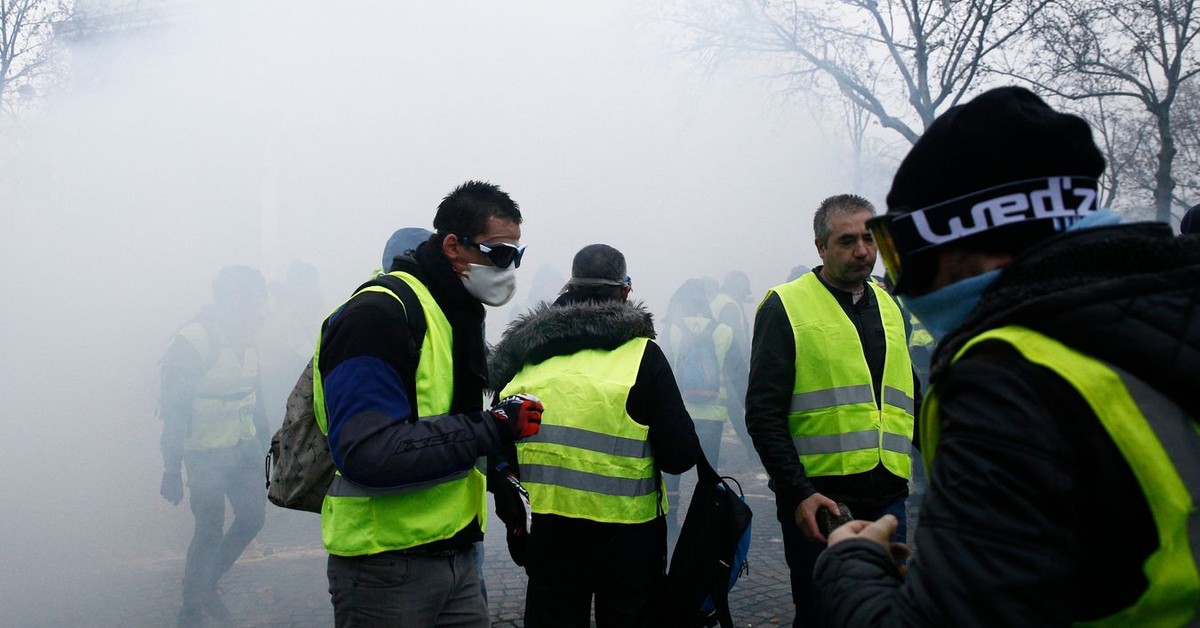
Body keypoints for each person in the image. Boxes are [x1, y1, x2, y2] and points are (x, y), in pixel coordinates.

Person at [814, 86, 1200, 625]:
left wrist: (851, 564)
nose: (895, 276)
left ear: (960, 236)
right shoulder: (1169, 310)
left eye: (899, 248)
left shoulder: (1005, 380)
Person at [316, 180, 545, 627]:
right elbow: (367, 451)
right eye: (499, 254)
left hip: (457, 554)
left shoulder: (454, 311)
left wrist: (504, 482)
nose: (509, 269)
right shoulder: (377, 314)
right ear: (453, 247)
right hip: (384, 565)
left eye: (516, 256)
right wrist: (494, 426)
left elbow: (452, 420)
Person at [488, 243, 702, 627]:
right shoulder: (643, 357)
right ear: (625, 292)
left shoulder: (526, 356)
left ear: (569, 288)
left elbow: (495, 447)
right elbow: (679, 455)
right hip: (629, 541)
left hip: (548, 531)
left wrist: (515, 520)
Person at [746, 194, 920, 627]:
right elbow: (763, 413)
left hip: (889, 495)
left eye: (869, 239)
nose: (862, 251)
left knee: (886, 613)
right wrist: (798, 492)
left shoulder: (891, 304)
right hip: (821, 501)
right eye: (847, 241)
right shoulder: (785, 306)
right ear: (821, 247)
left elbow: (910, 394)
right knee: (823, 614)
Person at [159, 265, 270, 626]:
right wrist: (171, 468)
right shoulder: (194, 340)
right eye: (255, 298)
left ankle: (206, 584)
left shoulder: (247, 338)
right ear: (233, 298)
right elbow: (173, 408)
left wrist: (269, 446)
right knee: (208, 529)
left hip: (243, 448)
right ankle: (190, 610)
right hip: (204, 452)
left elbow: (255, 399)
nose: (259, 307)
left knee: (252, 518)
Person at [710, 270, 755, 465]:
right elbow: (736, 341)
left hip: (715, 367)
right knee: (742, 411)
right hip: (730, 369)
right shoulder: (730, 305)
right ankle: (755, 452)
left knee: (731, 412)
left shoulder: (716, 301)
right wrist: (745, 365)